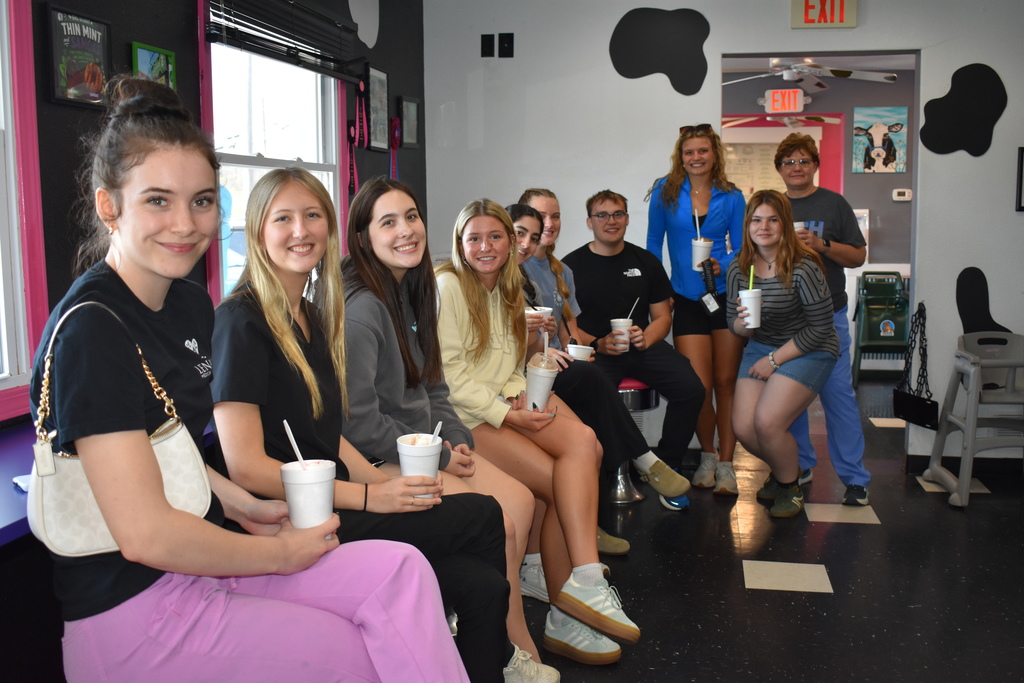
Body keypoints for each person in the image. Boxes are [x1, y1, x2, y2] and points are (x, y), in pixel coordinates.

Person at [30, 76, 469, 682]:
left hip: (209, 562)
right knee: (350, 650)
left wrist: (245, 506)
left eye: (203, 201)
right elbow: (145, 535)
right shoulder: (90, 333)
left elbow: (173, 449)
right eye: (158, 200)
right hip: (136, 609)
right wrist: (276, 553)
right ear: (110, 205)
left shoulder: (185, 305)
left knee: (403, 573)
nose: (185, 224)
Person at [211, 169, 511, 682]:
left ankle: (467, 654)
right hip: (294, 516)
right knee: (483, 514)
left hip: (340, 495)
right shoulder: (240, 321)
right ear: (257, 230)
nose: (301, 230)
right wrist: (372, 499)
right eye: (283, 218)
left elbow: (332, 436)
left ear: (330, 229)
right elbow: (247, 469)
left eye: (312, 216)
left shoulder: (310, 313)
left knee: (486, 588)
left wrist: (386, 484)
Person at [339, 178, 557, 681]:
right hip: (382, 456)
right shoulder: (362, 309)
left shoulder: (411, 292)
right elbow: (360, 422)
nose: (406, 231)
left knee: (520, 501)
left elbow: (436, 387)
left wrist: (457, 439)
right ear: (361, 235)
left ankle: (496, 632)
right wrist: (440, 455)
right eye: (388, 222)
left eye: (411, 217)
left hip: (429, 441)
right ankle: (509, 645)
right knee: (498, 519)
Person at [437, 199, 641, 666]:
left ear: (511, 242)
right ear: (460, 243)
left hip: (500, 401)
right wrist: (509, 414)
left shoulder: (509, 286)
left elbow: (503, 365)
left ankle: (584, 583)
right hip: (464, 416)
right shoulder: (447, 286)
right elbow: (450, 377)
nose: (485, 247)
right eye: (474, 238)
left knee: (585, 445)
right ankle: (568, 610)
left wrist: (523, 395)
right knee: (560, 488)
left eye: (495, 237)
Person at [510, 202, 690, 548]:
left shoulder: (558, 271)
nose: (529, 241)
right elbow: (507, 348)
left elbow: (567, 328)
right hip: (519, 378)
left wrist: (571, 345)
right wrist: (540, 338)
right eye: (522, 232)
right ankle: (645, 462)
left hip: (543, 365)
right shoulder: (502, 277)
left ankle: (597, 523)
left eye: (538, 231)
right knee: (592, 391)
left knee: (594, 408)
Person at [562, 190, 706, 509]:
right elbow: (566, 324)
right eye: (602, 215)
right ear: (589, 222)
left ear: (627, 219)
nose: (611, 221)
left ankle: (665, 465)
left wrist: (648, 337)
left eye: (618, 214)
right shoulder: (569, 266)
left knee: (692, 388)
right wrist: (598, 342)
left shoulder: (646, 262)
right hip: (597, 351)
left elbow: (663, 316)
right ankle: (599, 478)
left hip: (642, 347)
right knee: (590, 403)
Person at [725, 189, 839, 518]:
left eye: (773, 219)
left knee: (768, 422)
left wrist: (774, 360)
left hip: (811, 348)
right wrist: (743, 325)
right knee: (744, 428)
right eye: (756, 220)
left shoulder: (802, 267)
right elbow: (733, 324)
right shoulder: (739, 267)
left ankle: (790, 484)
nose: (764, 226)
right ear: (747, 226)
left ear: (784, 224)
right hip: (762, 344)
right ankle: (782, 471)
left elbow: (820, 328)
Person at [646, 124, 747, 494]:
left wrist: (725, 263)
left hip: (723, 298)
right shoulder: (666, 192)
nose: (696, 158)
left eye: (703, 151)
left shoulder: (732, 197)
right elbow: (654, 242)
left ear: (714, 154)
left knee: (726, 382)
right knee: (700, 387)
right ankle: (706, 456)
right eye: (689, 152)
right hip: (684, 299)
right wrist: (658, 291)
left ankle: (727, 465)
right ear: (681, 156)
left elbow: (742, 248)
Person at [774, 133, 872, 506]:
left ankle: (855, 477)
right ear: (780, 169)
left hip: (829, 315)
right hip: (785, 319)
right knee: (789, 397)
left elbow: (858, 257)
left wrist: (822, 246)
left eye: (803, 161)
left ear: (815, 165)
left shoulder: (835, 204)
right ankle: (799, 464)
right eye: (789, 162)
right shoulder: (774, 206)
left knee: (837, 396)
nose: (796, 168)